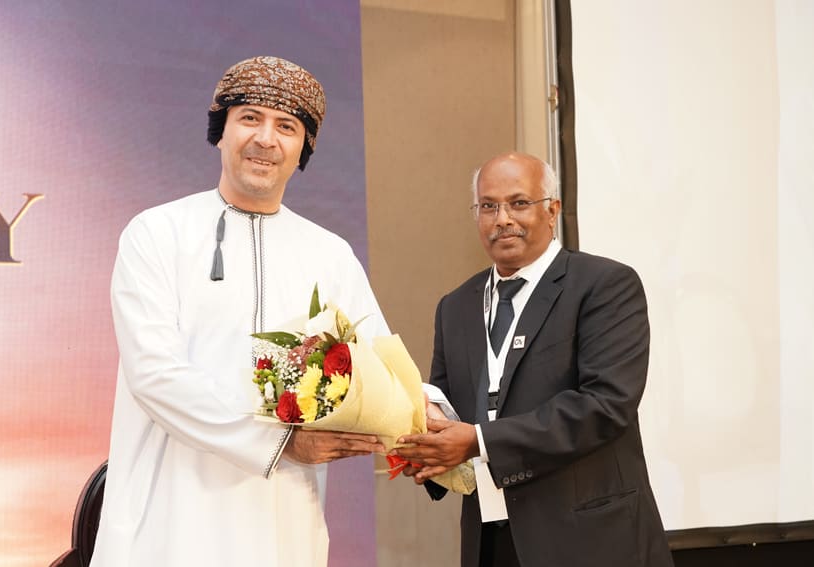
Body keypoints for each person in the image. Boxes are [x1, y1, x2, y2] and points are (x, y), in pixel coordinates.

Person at [90, 56, 388, 567]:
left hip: (283, 521)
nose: (266, 139)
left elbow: (378, 365)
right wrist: (280, 442)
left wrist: (435, 420)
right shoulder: (157, 233)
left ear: (304, 147)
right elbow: (155, 374)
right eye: (250, 118)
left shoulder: (330, 254)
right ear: (220, 132)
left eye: (287, 126)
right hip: (169, 521)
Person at [391, 152, 674, 567]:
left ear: (552, 211)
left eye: (519, 203)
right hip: (492, 541)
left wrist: (479, 441)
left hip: (589, 541)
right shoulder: (455, 307)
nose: (502, 218)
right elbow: (449, 409)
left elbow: (605, 405)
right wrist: (424, 446)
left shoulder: (604, 285)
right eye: (488, 206)